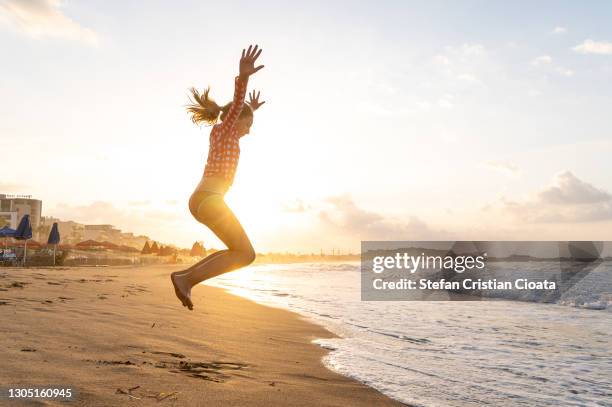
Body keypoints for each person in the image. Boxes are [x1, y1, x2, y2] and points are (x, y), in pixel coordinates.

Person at [171, 44, 265, 310]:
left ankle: (184, 279)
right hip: (209, 198)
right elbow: (236, 107)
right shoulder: (224, 131)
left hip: (202, 200)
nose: (249, 130)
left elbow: (240, 112)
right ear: (234, 120)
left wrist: (252, 110)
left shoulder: (228, 135)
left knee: (237, 251)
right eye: (248, 124)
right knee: (246, 253)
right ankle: (186, 281)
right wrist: (243, 78)